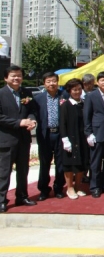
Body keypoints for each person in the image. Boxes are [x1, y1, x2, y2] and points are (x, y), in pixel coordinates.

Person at [0, 65, 37, 212]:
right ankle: (2, 199)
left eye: (19, 75)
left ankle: (22, 196)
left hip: (24, 139)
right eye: (13, 76)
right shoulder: (1, 94)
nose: (16, 78)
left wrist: (32, 120)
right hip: (7, 139)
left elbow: (32, 111)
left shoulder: (26, 93)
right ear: (6, 78)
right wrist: (18, 122)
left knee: (23, 170)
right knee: (4, 172)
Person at [34, 72, 65, 201]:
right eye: (48, 81)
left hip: (60, 134)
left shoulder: (64, 96)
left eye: (54, 81)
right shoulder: (38, 99)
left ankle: (58, 188)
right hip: (45, 135)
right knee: (45, 163)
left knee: (61, 163)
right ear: (44, 83)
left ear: (58, 82)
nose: (51, 84)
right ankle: (44, 189)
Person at [59, 79, 90, 199]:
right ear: (69, 91)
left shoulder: (84, 103)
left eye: (79, 89)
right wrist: (65, 139)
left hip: (83, 138)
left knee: (82, 163)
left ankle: (78, 186)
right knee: (70, 164)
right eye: (74, 89)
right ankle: (70, 188)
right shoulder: (66, 105)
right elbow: (62, 123)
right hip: (70, 138)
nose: (77, 92)